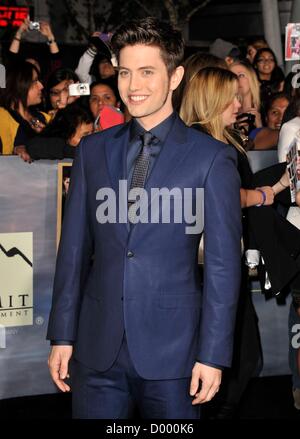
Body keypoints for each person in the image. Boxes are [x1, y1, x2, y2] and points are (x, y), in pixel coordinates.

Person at [47, 17, 242, 419]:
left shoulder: (211, 158)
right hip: (96, 350)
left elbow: (224, 266)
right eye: (124, 72)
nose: (133, 86)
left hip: (178, 357)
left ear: (175, 77)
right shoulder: (92, 151)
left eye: (147, 72)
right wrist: (62, 335)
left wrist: (214, 354)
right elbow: (73, 251)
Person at [180, 66, 299, 418]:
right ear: (214, 99)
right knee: (237, 358)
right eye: (233, 96)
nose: (240, 103)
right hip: (205, 265)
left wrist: (272, 189)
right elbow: (223, 197)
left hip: (216, 260)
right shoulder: (204, 144)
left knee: (241, 358)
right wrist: (265, 194)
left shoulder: (217, 140)